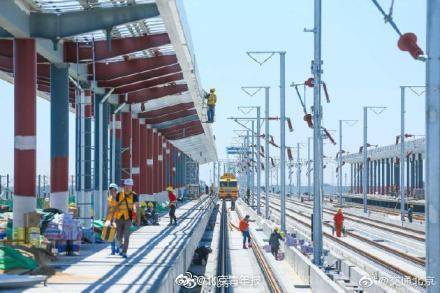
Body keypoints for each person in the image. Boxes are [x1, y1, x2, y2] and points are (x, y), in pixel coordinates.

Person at [115, 178, 139, 258]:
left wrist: (135, 213)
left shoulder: (134, 195)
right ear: (124, 185)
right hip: (118, 218)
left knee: (126, 236)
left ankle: (124, 252)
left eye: (130, 186)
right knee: (118, 236)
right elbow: (115, 205)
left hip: (128, 218)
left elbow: (135, 205)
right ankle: (121, 246)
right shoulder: (119, 194)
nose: (129, 187)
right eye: (127, 185)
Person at [105, 183, 119, 255]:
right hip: (110, 218)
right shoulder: (109, 199)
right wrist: (106, 218)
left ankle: (118, 249)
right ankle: (113, 250)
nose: (112, 192)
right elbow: (108, 209)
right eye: (110, 190)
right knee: (111, 234)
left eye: (113, 190)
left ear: (116, 190)